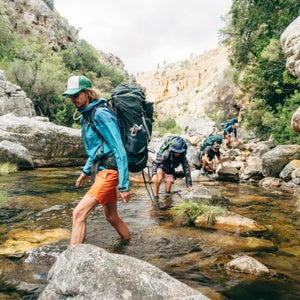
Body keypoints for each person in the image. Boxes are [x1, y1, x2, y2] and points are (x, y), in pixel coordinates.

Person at [62, 75, 131, 245]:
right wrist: (85, 171)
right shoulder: (88, 115)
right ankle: (128, 243)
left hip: (110, 171)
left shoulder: (100, 114)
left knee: (78, 214)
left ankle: (71, 264)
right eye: (70, 96)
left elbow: (119, 149)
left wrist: (124, 185)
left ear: (87, 93)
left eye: (76, 95)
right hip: (101, 169)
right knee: (111, 216)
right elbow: (97, 150)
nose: (73, 99)